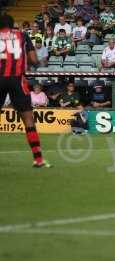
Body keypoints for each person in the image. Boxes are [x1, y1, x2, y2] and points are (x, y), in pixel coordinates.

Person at [0, 14, 51, 167]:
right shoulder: (22, 35)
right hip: (17, 80)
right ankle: (38, 159)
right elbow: (34, 60)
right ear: (12, 24)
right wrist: (40, 61)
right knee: (28, 120)